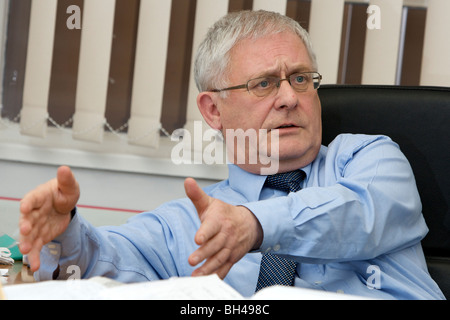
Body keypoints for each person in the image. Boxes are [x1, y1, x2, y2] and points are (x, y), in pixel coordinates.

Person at [19, 10, 444, 300]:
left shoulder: (369, 159)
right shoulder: (188, 223)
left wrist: (255, 225)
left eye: (300, 78)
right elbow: (105, 264)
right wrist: (64, 236)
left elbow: (362, 214)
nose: (288, 99)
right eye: (263, 84)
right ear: (213, 110)